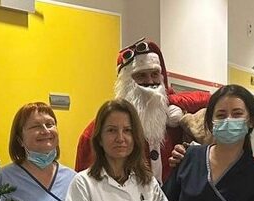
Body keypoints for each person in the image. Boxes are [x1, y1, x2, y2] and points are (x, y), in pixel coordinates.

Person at [75, 38, 210, 182]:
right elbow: (84, 184)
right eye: (141, 75)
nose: (150, 82)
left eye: (154, 74)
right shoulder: (96, 131)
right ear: (126, 83)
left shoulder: (172, 121)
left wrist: (171, 101)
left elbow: (210, 99)